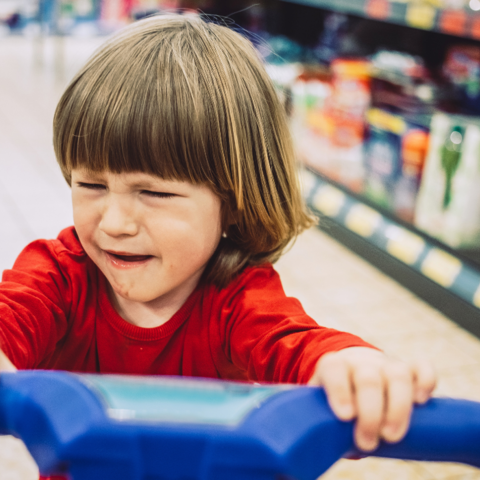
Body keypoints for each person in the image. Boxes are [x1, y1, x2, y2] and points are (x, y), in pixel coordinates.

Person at [0, 13, 435, 465]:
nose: (114, 222)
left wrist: (352, 368)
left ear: (233, 201)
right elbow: (13, 310)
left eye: (153, 192)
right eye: (91, 185)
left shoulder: (236, 301)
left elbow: (296, 342)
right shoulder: (58, 277)